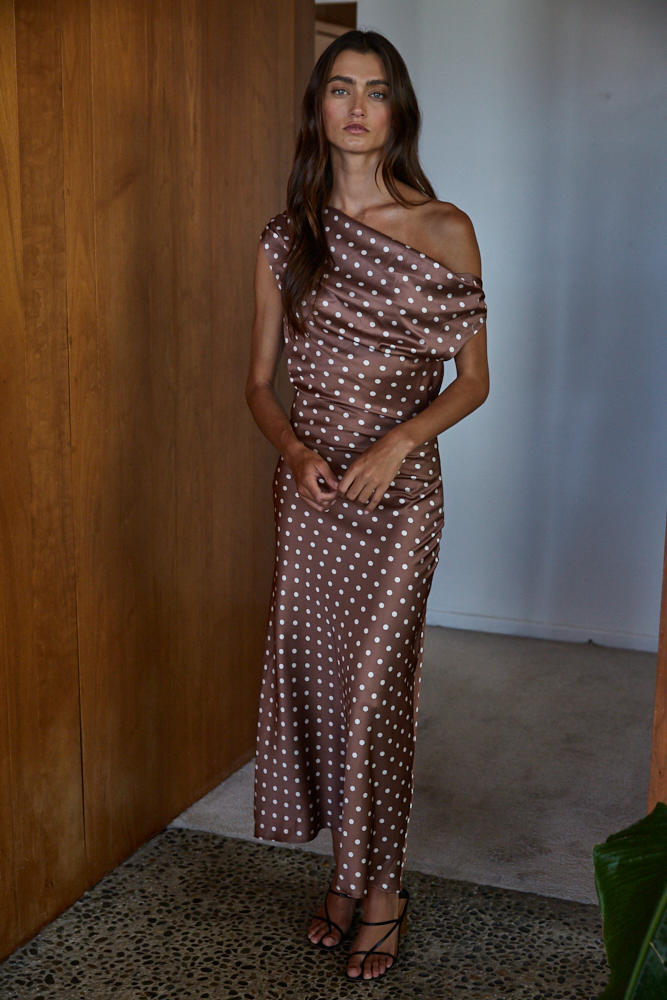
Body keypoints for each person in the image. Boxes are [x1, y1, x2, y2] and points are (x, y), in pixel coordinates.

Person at [245, 28, 489, 983]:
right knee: (318, 681)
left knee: (376, 688)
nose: (356, 106)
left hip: (400, 498)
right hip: (311, 499)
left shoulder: (443, 226)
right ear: (318, 108)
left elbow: (473, 381)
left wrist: (397, 443)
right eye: (339, 88)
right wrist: (296, 450)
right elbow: (257, 384)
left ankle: (381, 890)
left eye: (375, 90)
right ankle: (343, 875)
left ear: (398, 111)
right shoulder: (284, 238)